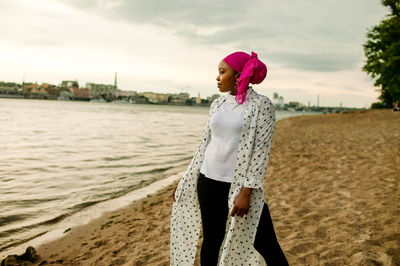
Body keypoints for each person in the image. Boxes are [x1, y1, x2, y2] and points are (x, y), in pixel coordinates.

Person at [170, 51, 289, 265]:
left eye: (222, 72)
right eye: (218, 72)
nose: (217, 77)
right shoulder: (217, 104)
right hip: (207, 181)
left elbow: (261, 153)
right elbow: (205, 144)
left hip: (239, 186)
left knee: (265, 243)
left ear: (238, 75)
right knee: (211, 241)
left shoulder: (261, 105)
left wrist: (246, 191)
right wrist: (187, 178)